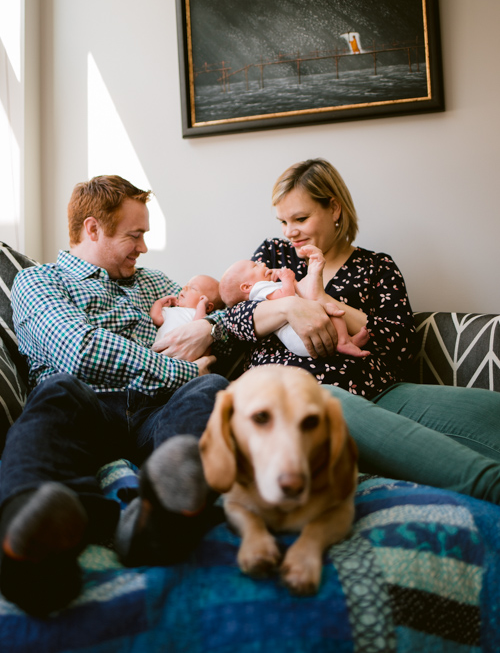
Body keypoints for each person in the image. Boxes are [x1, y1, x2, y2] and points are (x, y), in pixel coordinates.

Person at [0, 175, 229, 616]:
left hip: (154, 411)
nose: (144, 247)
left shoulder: (155, 282)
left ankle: (161, 517)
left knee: (211, 389)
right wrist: (178, 368)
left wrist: (209, 327)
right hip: (82, 408)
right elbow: (79, 350)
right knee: (56, 391)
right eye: (135, 235)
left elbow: (206, 331)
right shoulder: (39, 281)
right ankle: (29, 545)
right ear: (92, 229)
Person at [216, 158, 500, 505]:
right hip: (302, 396)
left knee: (491, 410)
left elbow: (401, 343)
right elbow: (232, 318)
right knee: (327, 401)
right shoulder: (274, 255)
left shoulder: (377, 266)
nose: (290, 231)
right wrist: (291, 306)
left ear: (334, 208)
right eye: (283, 221)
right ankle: (489, 486)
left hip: (378, 390)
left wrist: (323, 298)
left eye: (301, 219)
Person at [219, 245, 370, 358]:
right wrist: (287, 279)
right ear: (246, 287)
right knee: (331, 309)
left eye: (301, 219)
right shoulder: (259, 289)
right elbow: (287, 296)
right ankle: (343, 341)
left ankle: (345, 341)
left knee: (330, 307)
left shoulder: (264, 288)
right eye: (255, 266)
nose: (262, 264)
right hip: (299, 338)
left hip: (305, 339)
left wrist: (311, 286)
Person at [150, 274, 224, 347]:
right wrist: (159, 302)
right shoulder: (171, 310)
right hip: (161, 351)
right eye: (186, 285)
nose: (184, 287)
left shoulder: (199, 315)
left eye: (193, 288)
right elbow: (156, 319)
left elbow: (197, 327)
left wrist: (201, 306)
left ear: (208, 307)